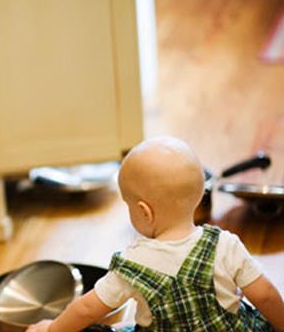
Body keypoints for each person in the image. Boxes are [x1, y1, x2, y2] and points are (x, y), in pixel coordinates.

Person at [26, 137, 284, 332]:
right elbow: (265, 295)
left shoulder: (132, 266)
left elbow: (85, 310)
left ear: (144, 212)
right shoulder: (225, 245)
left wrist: (50, 328)